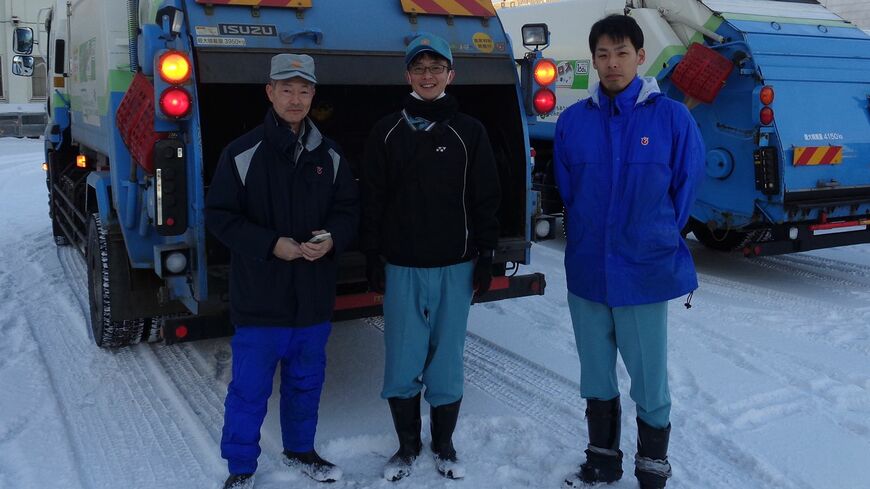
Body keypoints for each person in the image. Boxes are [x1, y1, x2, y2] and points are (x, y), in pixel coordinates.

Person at [553, 15, 705, 489]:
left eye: (621, 53)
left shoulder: (672, 118)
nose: (611, 63)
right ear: (593, 59)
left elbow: (684, 190)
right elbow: (568, 191)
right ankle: (602, 458)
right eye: (602, 54)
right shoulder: (573, 121)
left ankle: (652, 461)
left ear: (640, 57)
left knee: (649, 378)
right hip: (589, 271)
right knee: (595, 372)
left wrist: (652, 234)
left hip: (644, 271)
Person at [205, 53, 359, 489]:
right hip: (260, 300)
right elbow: (220, 217)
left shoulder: (329, 155)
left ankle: (301, 449)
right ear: (269, 92)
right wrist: (272, 245)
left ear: (314, 94)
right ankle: (240, 467)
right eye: (286, 89)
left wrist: (332, 239)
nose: (295, 99)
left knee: (306, 383)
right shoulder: (241, 153)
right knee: (249, 392)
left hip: (311, 298)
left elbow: (349, 210)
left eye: (304, 90)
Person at [360, 33, 501, 482]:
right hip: (402, 266)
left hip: (455, 266)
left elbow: (486, 198)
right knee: (403, 358)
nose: (427, 75)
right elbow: (373, 198)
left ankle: (444, 444)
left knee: (446, 360)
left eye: (436, 68)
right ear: (408, 75)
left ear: (450, 75)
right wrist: (372, 255)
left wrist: (487, 255)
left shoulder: (470, 132)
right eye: (419, 68)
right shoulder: (386, 131)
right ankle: (406, 447)